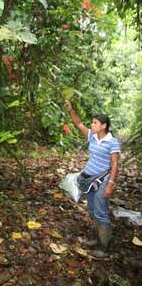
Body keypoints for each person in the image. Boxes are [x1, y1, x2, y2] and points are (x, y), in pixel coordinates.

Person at [65, 101, 120, 258]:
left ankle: (104, 248)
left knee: (101, 211)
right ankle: (97, 239)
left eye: (95, 123)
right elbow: (78, 124)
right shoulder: (92, 136)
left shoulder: (112, 142)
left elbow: (115, 164)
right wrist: (71, 110)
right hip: (88, 178)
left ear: (104, 126)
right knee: (92, 210)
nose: (92, 125)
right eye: (93, 122)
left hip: (103, 180)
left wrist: (111, 184)